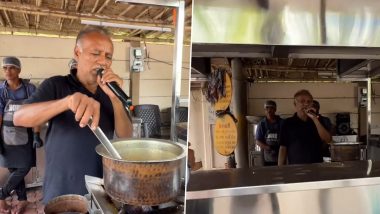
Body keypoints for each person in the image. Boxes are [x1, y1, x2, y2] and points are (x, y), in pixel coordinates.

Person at [13, 26, 133, 204]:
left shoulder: (110, 92)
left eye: (108, 56)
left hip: (100, 188)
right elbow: (19, 117)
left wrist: (115, 99)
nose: (103, 62)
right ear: (77, 52)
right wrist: (66, 102)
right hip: (61, 188)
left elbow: (126, 135)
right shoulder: (56, 85)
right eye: (96, 53)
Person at [0, 56, 43, 213]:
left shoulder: (30, 89)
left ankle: (2, 194)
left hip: (25, 135)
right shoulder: (1, 90)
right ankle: (23, 200)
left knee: (24, 167)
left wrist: (37, 134)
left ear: (19, 70)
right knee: (13, 169)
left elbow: (36, 111)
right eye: (5, 68)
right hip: (7, 136)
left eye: (11, 67)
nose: (7, 71)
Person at [278, 90, 331, 165]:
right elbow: (283, 148)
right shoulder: (287, 123)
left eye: (309, 102)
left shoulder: (318, 120)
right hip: (296, 168)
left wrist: (315, 119)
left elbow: (327, 139)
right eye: (302, 101)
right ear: (295, 104)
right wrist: (280, 169)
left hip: (317, 168)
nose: (306, 104)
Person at [255, 100, 283, 166]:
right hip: (267, 159)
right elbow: (258, 141)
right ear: (265, 110)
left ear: (275, 109)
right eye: (267, 108)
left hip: (281, 157)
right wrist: (268, 147)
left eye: (271, 108)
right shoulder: (262, 124)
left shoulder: (282, 123)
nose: (269, 110)